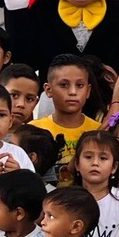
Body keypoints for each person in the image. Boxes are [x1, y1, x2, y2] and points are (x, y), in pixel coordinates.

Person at [40, 54, 101, 183]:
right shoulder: (35, 130)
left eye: (80, 85)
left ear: (88, 90)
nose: (73, 92)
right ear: (48, 90)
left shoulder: (98, 131)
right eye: (64, 85)